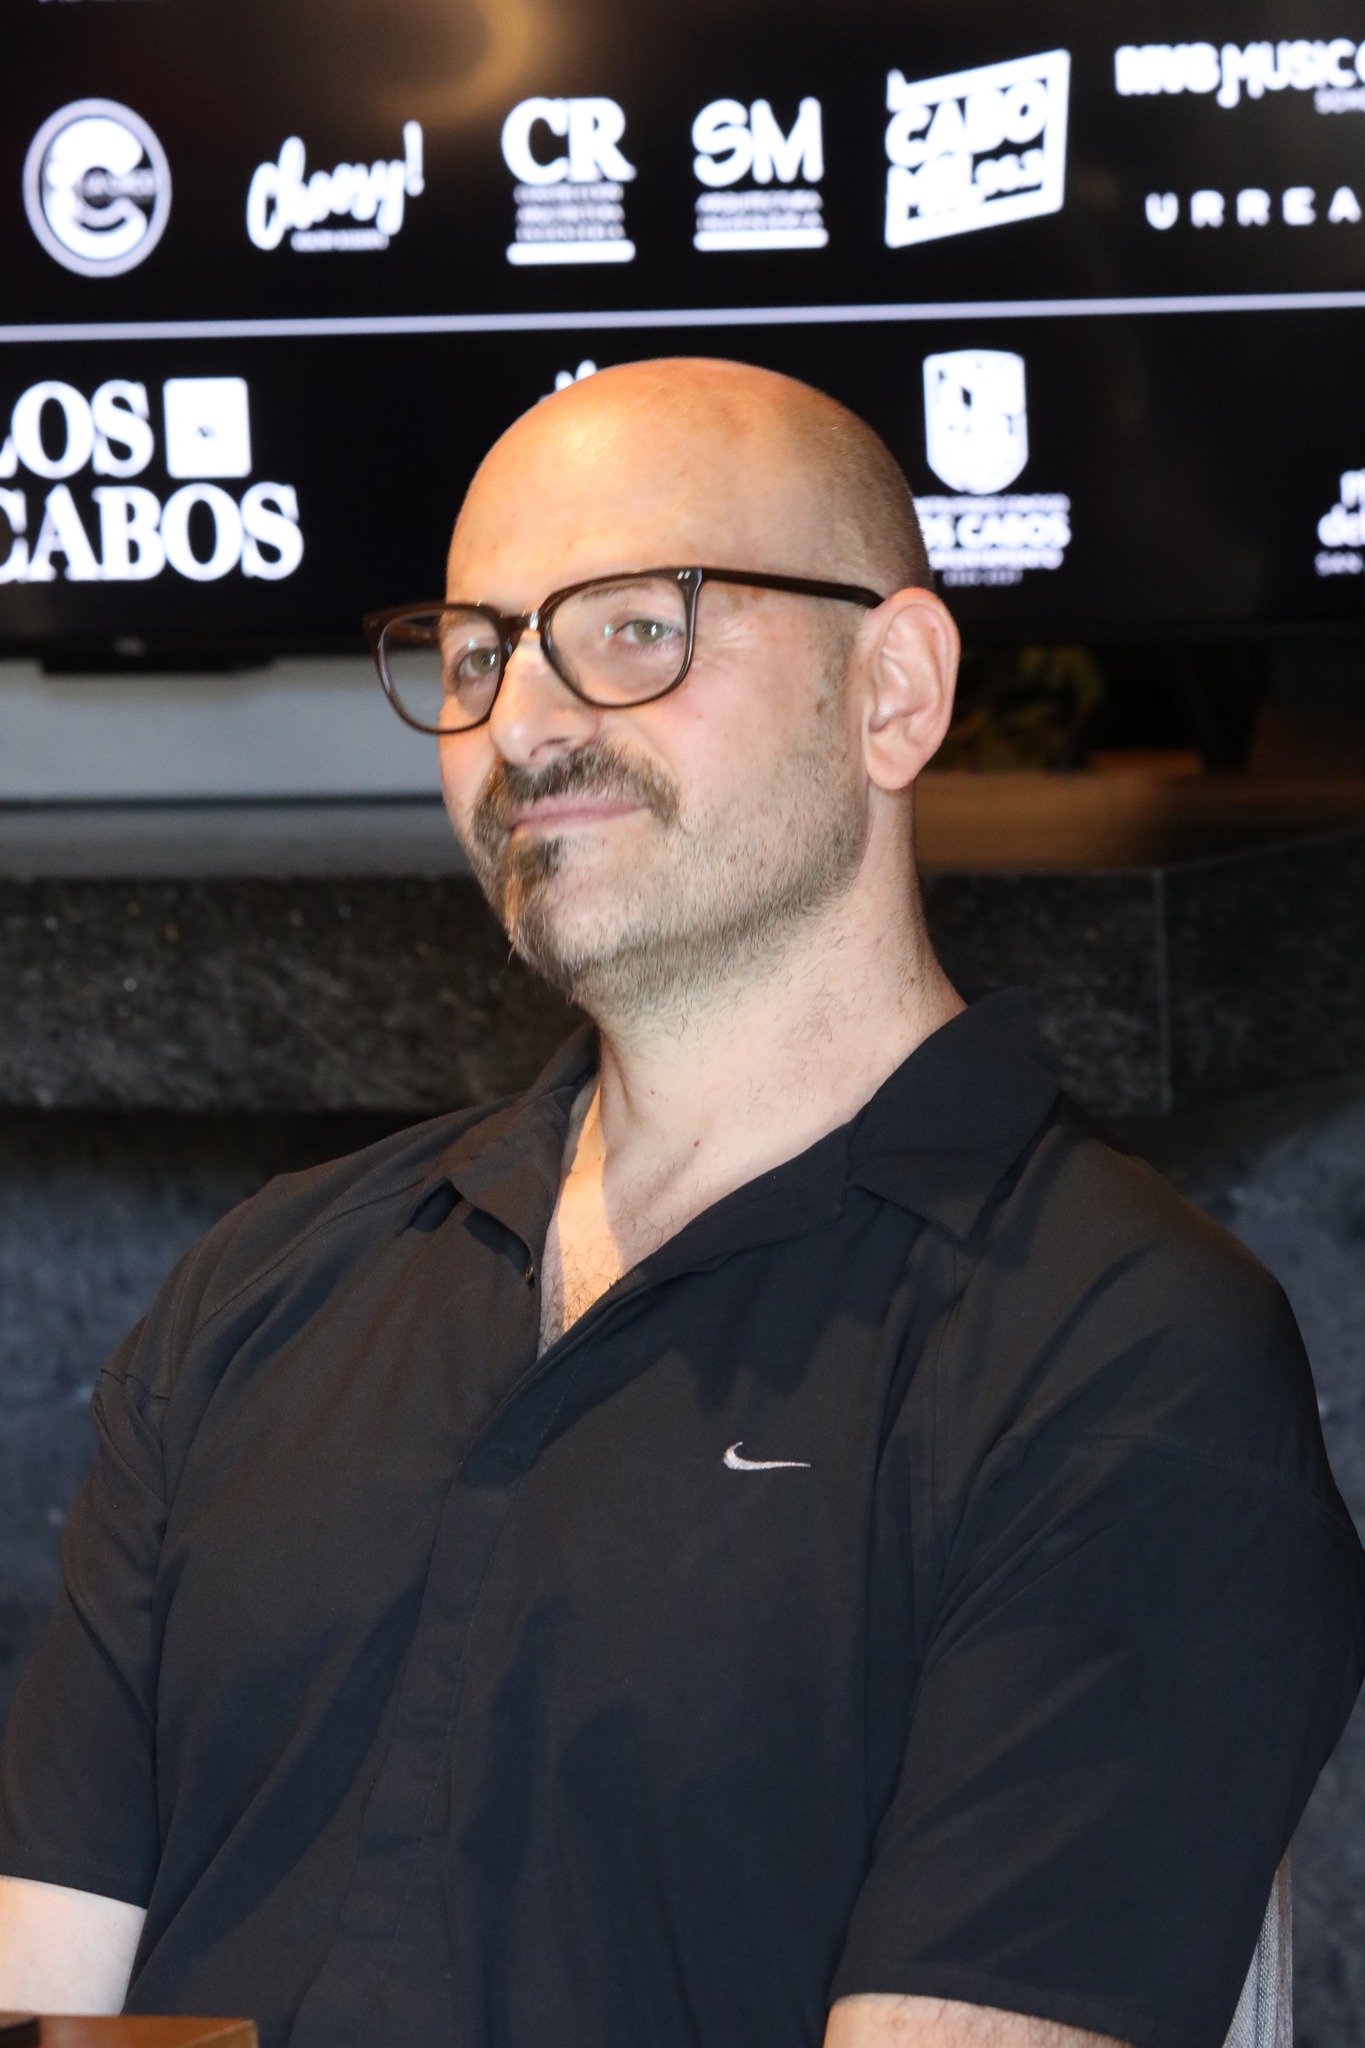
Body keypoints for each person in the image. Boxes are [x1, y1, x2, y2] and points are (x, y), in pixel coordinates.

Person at [0, 358, 1360, 2048]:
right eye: (478, 654)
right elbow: (41, 1988)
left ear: (893, 690)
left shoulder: (1119, 1351)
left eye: (637, 627)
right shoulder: (265, 1285)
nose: (521, 725)